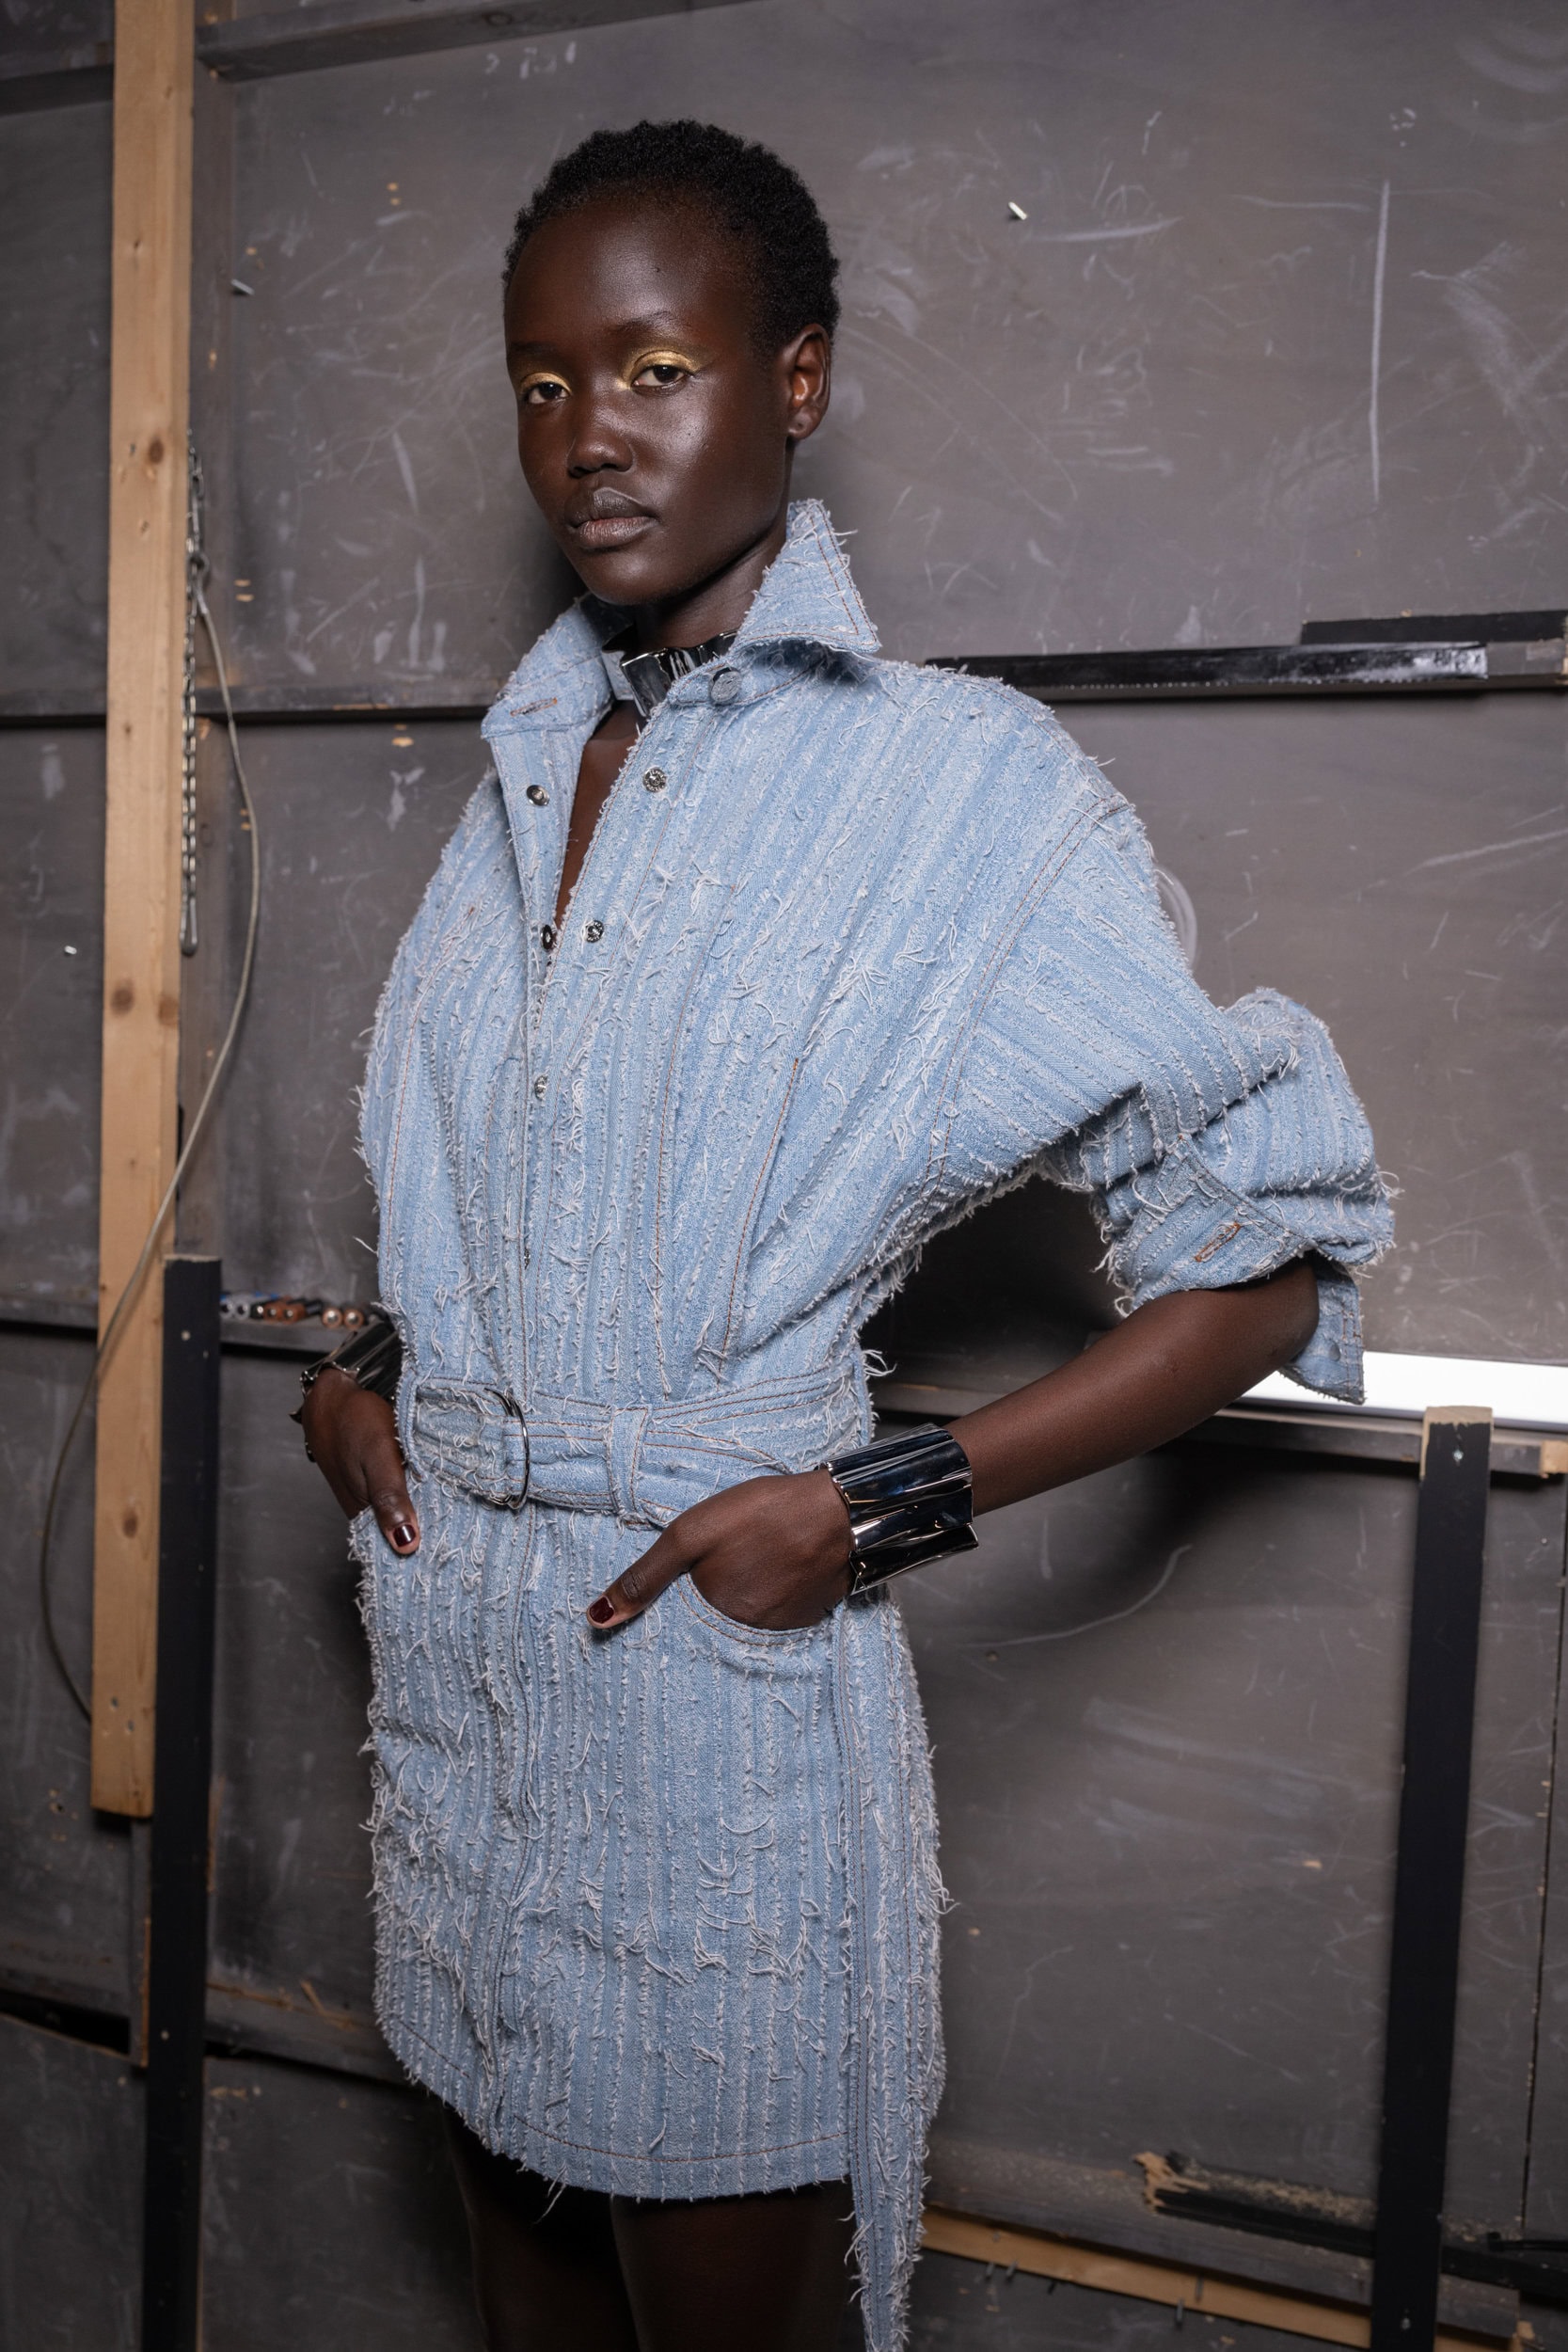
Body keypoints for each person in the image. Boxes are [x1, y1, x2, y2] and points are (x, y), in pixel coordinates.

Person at [299, 120, 1390, 2352]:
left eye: (654, 368)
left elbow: (1266, 1250)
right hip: (469, 1681)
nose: (588, 438)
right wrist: (380, 1371)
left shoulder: (955, 788)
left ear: (794, 380)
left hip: (711, 1703)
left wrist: (879, 1499)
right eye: (541, 383)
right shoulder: (526, 772)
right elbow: (534, 1186)